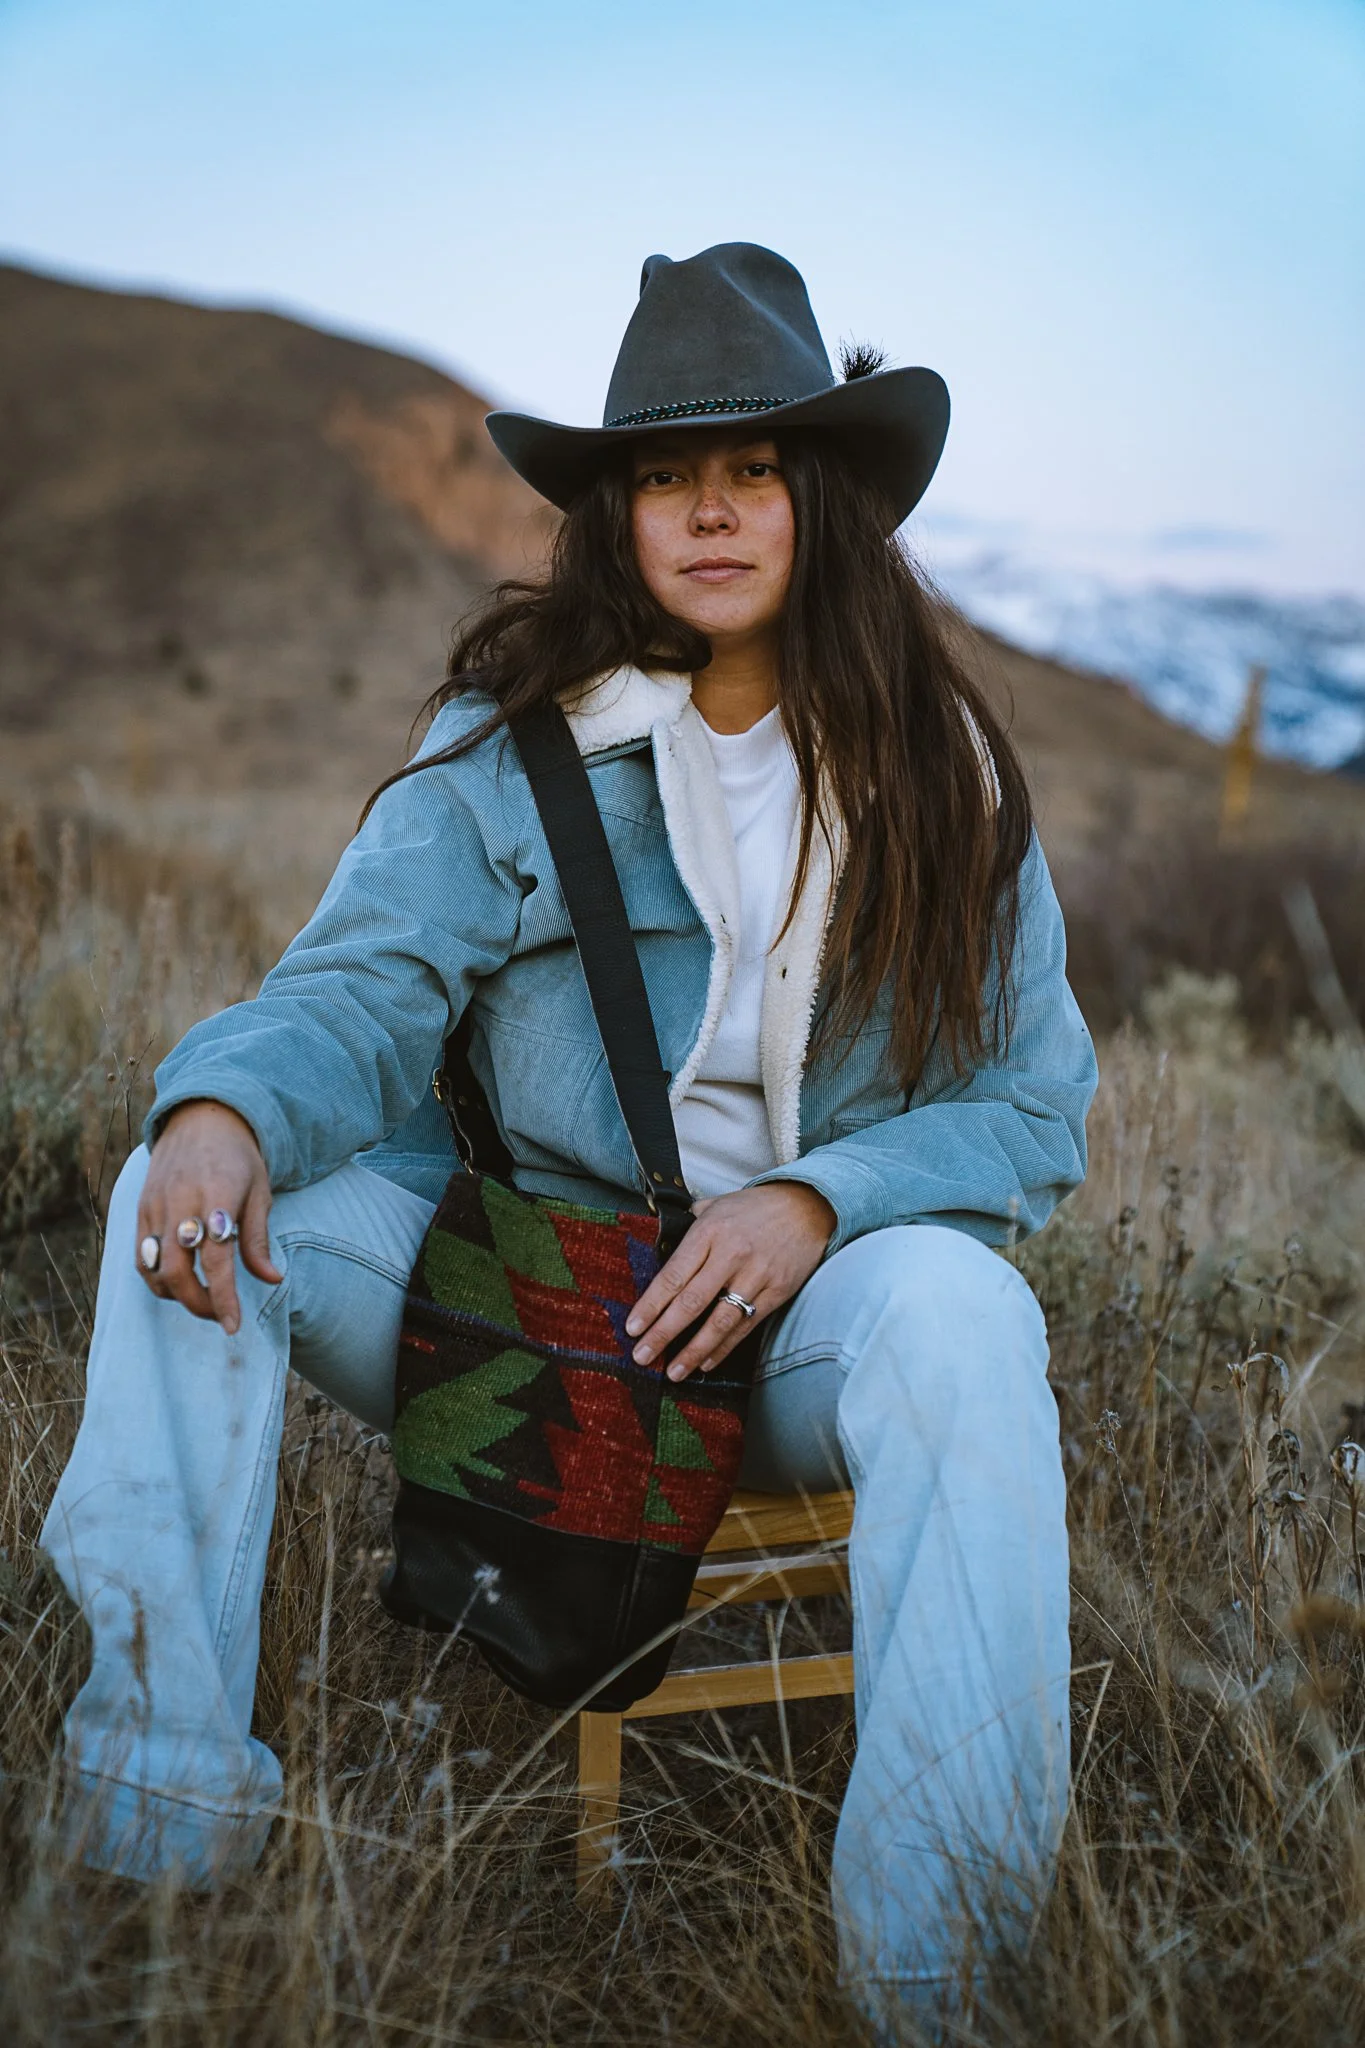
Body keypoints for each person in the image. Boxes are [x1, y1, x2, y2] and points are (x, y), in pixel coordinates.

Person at [41, 242, 1097, 2025]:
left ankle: (943, 1971)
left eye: (753, 466)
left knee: (972, 1318)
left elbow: (1031, 1110)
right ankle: (158, 1832)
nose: (708, 509)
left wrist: (820, 1208)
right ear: (611, 515)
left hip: (799, 1338)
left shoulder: (946, 772)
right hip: (532, 1310)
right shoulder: (518, 750)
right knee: (179, 1193)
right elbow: (358, 988)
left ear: (821, 499)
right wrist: (223, 1104)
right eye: (661, 475)